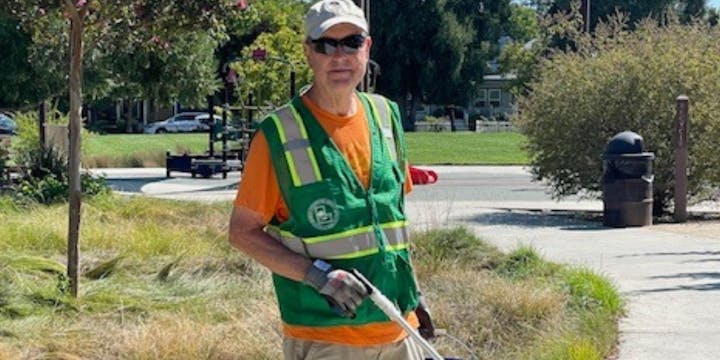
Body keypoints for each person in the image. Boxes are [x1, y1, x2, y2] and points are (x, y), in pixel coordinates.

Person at [228, 0, 434, 358]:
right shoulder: (278, 135)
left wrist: (413, 294)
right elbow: (242, 232)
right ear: (309, 53)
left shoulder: (386, 117)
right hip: (326, 337)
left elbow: (391, 226)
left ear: (367, 48)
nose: (340, 56)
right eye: (326, 45)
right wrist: (318, 277)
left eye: (352, 42)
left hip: (399, 330)